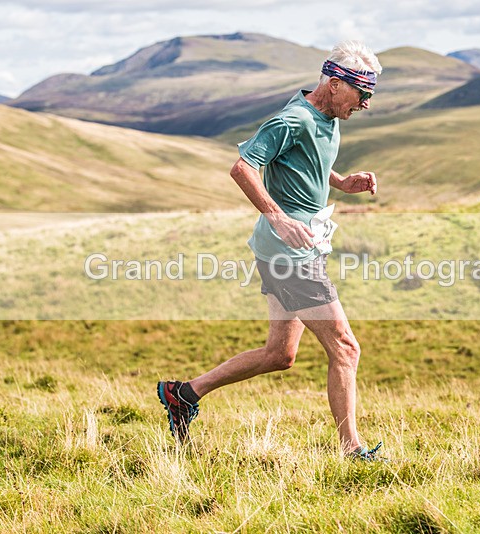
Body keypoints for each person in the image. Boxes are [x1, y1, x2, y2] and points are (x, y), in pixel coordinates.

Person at [158, 40, 384, 460]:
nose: (366, 104)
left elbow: (305, 159)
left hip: (299, 248)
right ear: (336, 85)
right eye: (362, 94)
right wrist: (278, 217)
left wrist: (340, 182)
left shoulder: (326, 115)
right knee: (346, 348)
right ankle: (351, 449)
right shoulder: (292, 119)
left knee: (280, 354)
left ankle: (183, 394)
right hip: (289, 255)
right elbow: (242, 167)